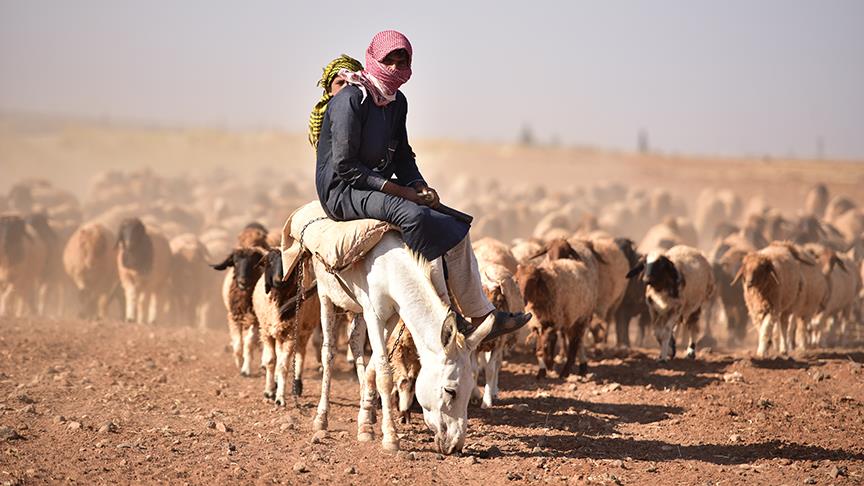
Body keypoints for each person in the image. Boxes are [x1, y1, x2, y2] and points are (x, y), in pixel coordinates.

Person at [314, 30, 530, 341]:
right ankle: (443, 310)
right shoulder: (351, 100)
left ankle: (482, 313)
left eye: (402, 60)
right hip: (343, 190)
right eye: (389, 59)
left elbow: (402, 154)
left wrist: (419, 185)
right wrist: (402, 192)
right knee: (412, 215)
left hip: (376, 185)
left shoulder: (396, 101)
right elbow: (346, 166)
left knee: (455, 223)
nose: (395, 67)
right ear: (373, 58)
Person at [308, 54, 364, 148]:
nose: (347, 88)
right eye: (340, 83)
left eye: (352, 82)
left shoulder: (368, 111)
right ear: (329, 89)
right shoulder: (321, 115)